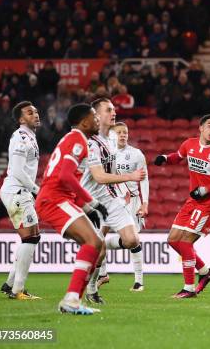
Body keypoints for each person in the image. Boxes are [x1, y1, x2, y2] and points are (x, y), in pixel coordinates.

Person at [35, 104, 109, 315]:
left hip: (59, 198)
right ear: (84, 122)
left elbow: (68, 176)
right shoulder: (77, 139)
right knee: (94, 242)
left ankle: (74, 300)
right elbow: (64, 176)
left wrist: (87, 207)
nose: (97, 120)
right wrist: (92, 203)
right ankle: (71, 299)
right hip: (54, 199)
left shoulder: (74, 139)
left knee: (98, 246)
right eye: (94, 116)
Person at [154, 114, 210, 298]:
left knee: (185, 242)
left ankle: (189, 288)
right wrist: (166, 158)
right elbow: (179, 156)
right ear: (201, 128)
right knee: (173, 239)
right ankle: (206, 272)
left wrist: (207, 189)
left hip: (209, 204)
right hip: (193, 201)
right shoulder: (189, 144)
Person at [80, 98, 146, 304]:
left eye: (114, 109)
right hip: (92, 201)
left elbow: (112, 169)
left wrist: (123, 189)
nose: (113, 112)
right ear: (97, 115)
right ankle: (91, 289)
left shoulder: (110, 139)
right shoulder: (90, 142)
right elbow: (99, 176)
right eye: (109, 110)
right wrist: (129, 178)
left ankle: (102, 244)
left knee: (132, 240)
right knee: (97, 255)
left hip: (112, 197)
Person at [96, 122, 149, 292]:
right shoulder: (105, 154)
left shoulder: (136, 154)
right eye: (119, 132)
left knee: (132, 241)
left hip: (132, 202)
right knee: (97, 237)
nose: (123, 135)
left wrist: (145, 202)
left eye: (125, 132)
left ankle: (139, 281)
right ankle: (103, 274)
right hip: (110, 200)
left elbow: (144, 179)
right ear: (112, 135)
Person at [0, 102, 42, 300]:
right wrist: (36, 190)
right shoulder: (20, 137)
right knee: (30, 238)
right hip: (17, 191)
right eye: (30, 112)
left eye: (36, 111)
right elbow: (17, 170)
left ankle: (9, 284)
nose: (35, 114)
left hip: (21, 191)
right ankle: (18, 290)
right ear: (21, 119)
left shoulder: (30, 137)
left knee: (33, 236)